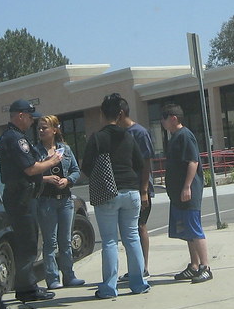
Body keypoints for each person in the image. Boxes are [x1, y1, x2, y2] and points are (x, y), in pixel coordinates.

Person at [81, 93, 150, 298]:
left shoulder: (97, 138)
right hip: (131, 191)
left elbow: (86, 167)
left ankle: (110, 287)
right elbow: (140, 164)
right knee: (132, 237)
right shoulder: (128, 136)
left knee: (110, 241)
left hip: (108, 193)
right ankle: (138, 283)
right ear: (120, 114)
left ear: (102, 114)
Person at [0, 99, 61, 303]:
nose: (33, 121)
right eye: (31, 117)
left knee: (30, 241)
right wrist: (52, 161)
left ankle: (27, 286)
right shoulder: (15, 139)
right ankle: (27, 288)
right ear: (20, 115)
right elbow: (30, 169)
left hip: (24, 196)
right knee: (27, 243)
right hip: (20, 198)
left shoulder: (16, 137)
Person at [161, 102, 212, 283]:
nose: (163, 122)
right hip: (177, 195)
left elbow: (193, 162)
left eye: (164, 119)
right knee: (187, 232)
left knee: (195, 229)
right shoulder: (174, 137)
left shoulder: (185, 136)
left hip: (188, 193)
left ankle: (206, 267)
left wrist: (187, 186)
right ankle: (194, 266)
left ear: (174, 118)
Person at [33, 114, 85, 290]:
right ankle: (52, 278)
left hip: (65, 200)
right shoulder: (35, 151)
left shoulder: (65, 150)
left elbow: (76, 171)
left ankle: (69, 276)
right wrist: (46, 178)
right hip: (46, 201)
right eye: (39, 128)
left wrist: (67, 180)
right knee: (50, 242)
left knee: (66, 240)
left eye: (44, 127)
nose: (41, 130)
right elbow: (32, 173)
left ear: (54, 130)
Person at [117, 96, 153, 281]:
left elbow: (146, 162)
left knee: (139, 227)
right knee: (127, 231)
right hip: (123, 189)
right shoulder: (118, 133)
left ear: (121, 113)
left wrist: (144, 190)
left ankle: (143, 268)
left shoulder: (139, 133)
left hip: (140, 189)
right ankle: (134, 268)